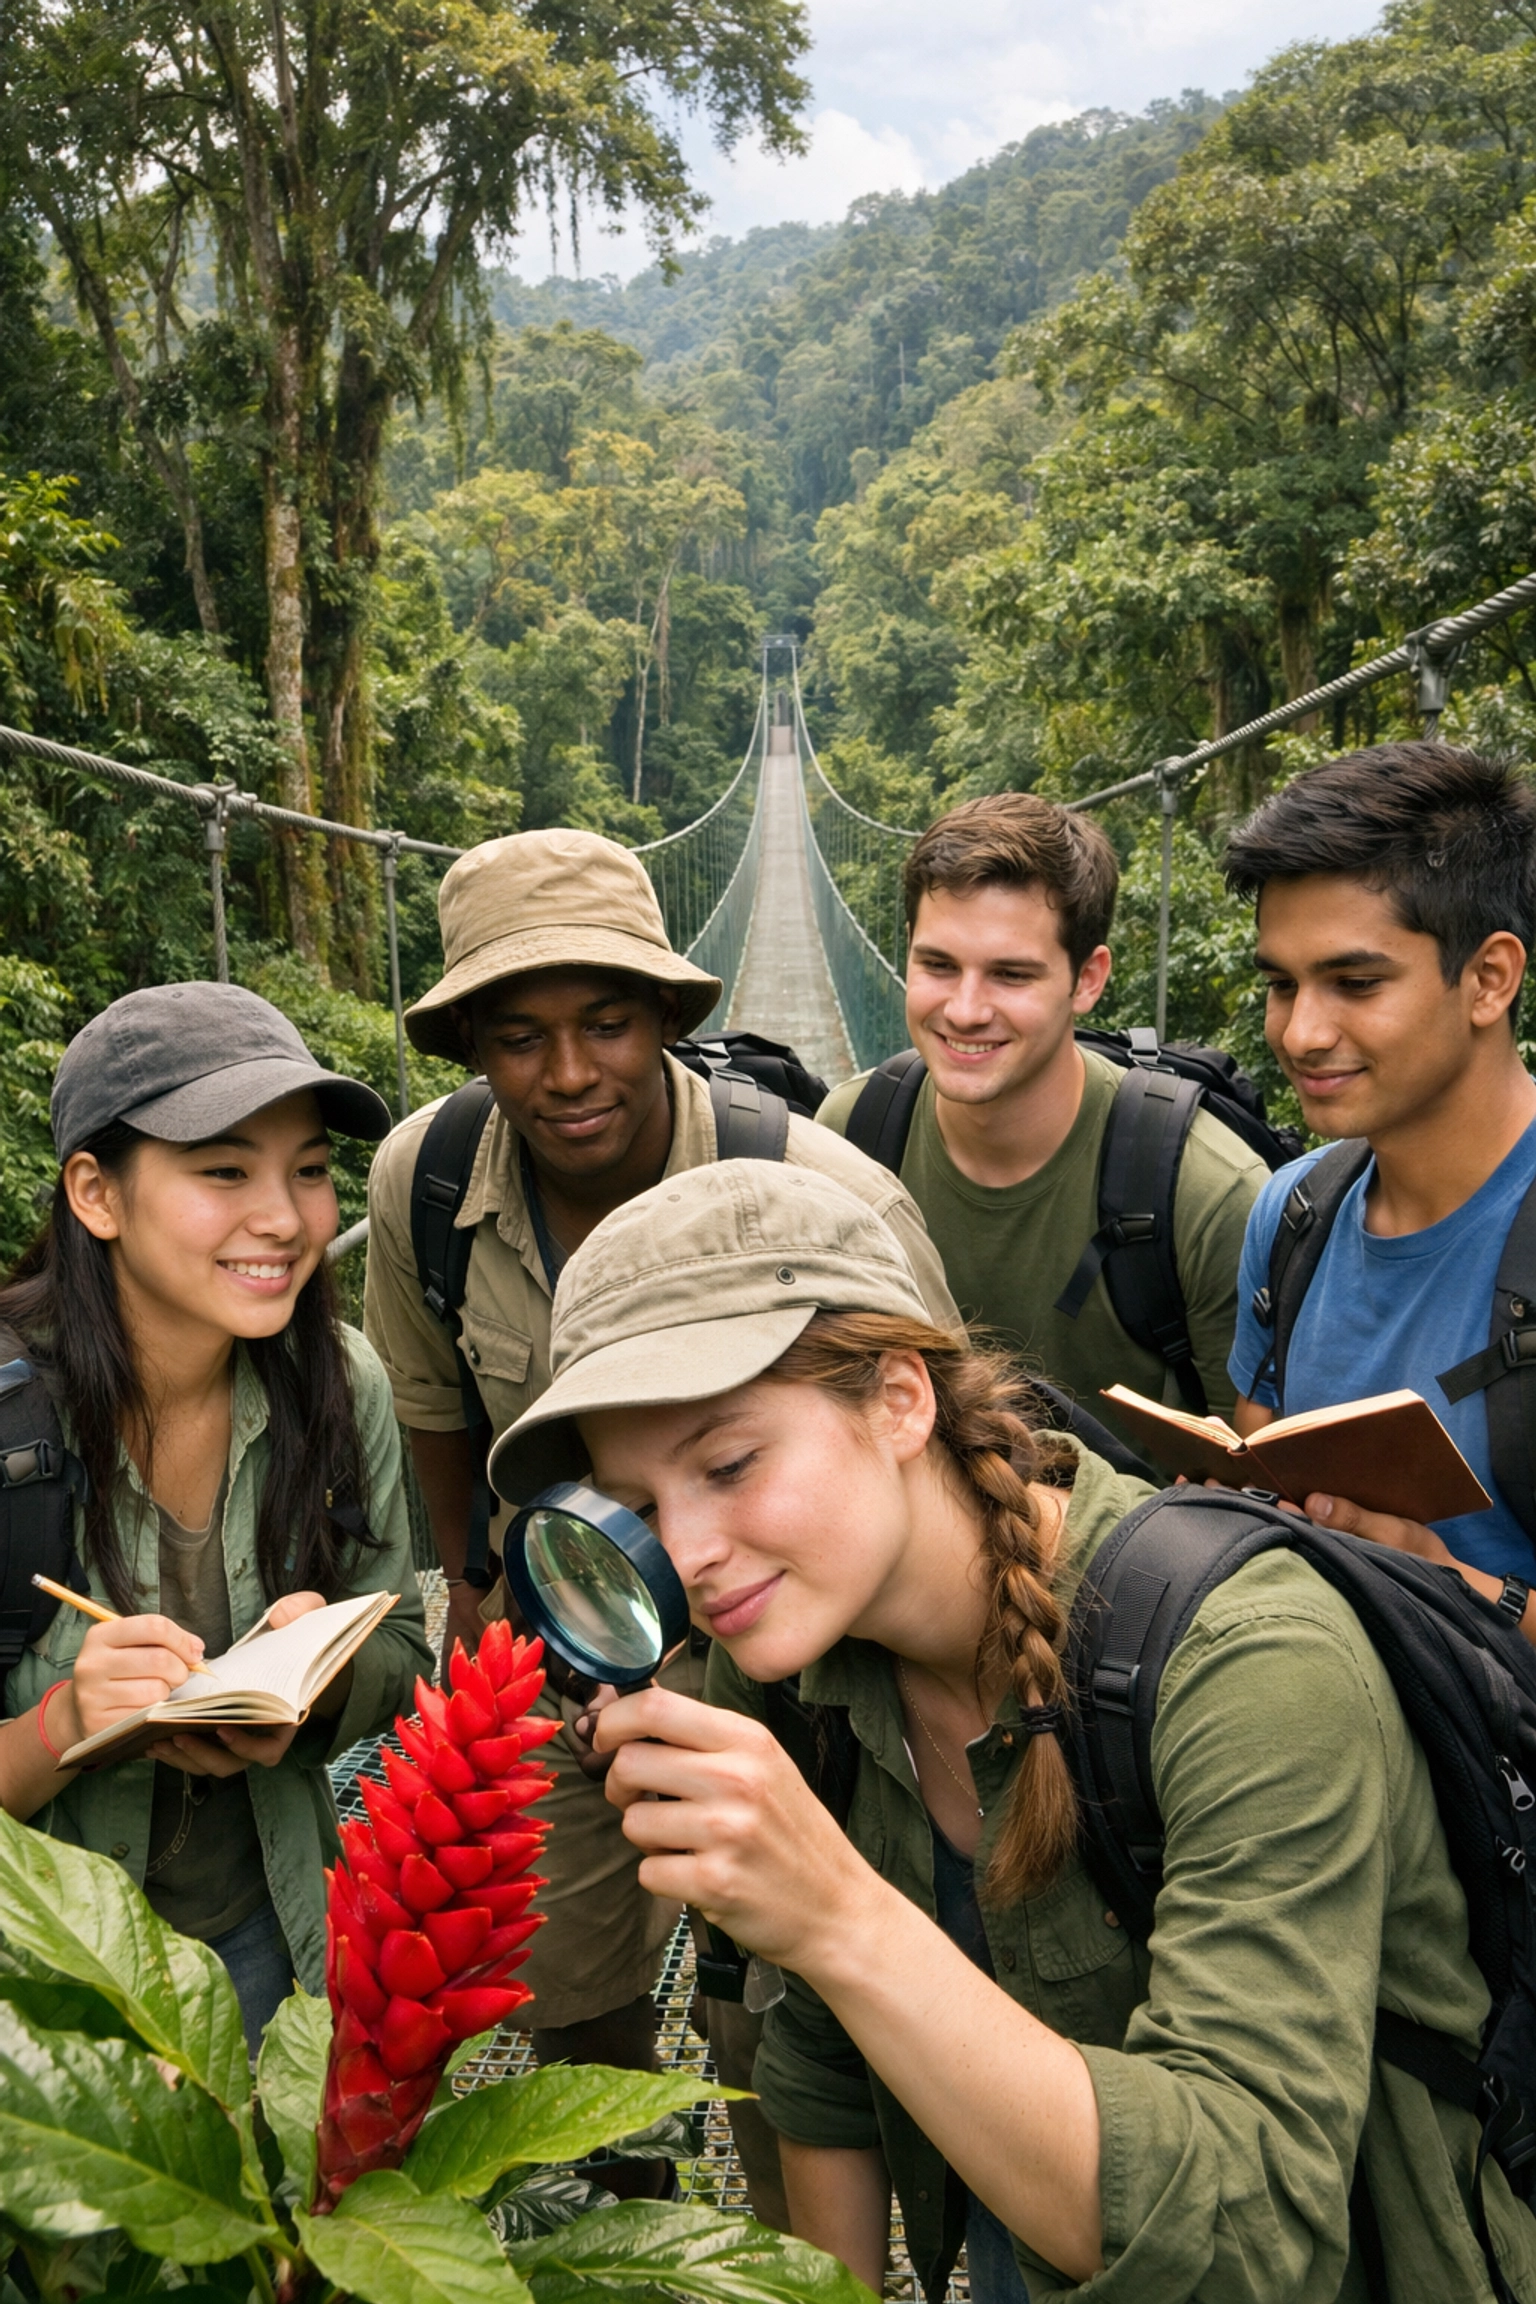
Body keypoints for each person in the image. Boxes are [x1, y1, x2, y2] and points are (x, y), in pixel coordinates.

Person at [488, 1157, 1536, 2304]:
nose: (685, 1557)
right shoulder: (782, 1669)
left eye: (730, 1465)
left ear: (900, 1399)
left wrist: (840, 1913)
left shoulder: (1251, 1663)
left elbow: (1248, 2240)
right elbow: (822, 2065)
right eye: (638, 1510)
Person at [362, 826, 959, 2208]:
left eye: (609, 1024)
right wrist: (478, 1599)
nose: (568, 1075)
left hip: (791, 1655)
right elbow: (436, 1406)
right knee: (559, 1964)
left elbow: (933, 1444)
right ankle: (627, 2218)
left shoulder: (826, 1195)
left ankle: (778, 2250)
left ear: (670, 1021)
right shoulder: (427, 1187)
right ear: (472, 1048)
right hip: (557, 1625)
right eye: (519, 1037)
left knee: (772, 2013)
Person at [0, 983, 433, 2052]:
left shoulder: (340, 1384)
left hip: (270, 1948)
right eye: (224, 1170)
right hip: (39, 1991)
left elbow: (410, 1647)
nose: (285, 1220)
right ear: (96, 1194)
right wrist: (64, 1729)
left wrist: (321, 1680)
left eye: (310, 1171)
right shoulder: (10, 1422)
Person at [816, 792, 1269, 1446]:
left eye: (1010, 975)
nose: (966, 1010)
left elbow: (1257, 1486)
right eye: (938, 965)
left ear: (1087, 979)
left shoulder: (1205, 1193)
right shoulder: (854, 1135)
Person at [1223, 743, 1536, 1636]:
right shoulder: (1294, 1213)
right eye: (1283, 985)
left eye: (1355, 983)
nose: (1303, 1032)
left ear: (1488, 979)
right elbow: (1268, 1463)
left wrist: (1453, 1586)